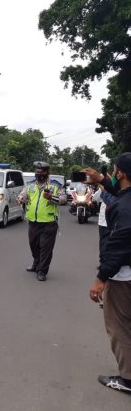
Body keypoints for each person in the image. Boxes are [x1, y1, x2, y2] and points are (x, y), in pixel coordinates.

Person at [86, 153, 131, 394]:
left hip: (123, 276)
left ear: (121, 173)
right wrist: (100, 180)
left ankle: (127, 379)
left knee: (119, 326)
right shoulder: (123, 199)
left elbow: (119, 246)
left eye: (115, 170)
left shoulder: (123, 206)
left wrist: (100, 278)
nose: (113, 173)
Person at [17, 161, 66, 281]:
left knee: (46, 249)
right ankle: (36, 263)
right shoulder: (30, 185)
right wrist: (20, 199)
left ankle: (42, 271)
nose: (39, 174)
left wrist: (52, 197)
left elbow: (64, 199)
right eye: (37, 172)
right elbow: (23, 195)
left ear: (47, 173)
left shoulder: (55, 185)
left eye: (42, 172)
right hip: (33, 222)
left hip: (49, 222)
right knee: (34, 246)